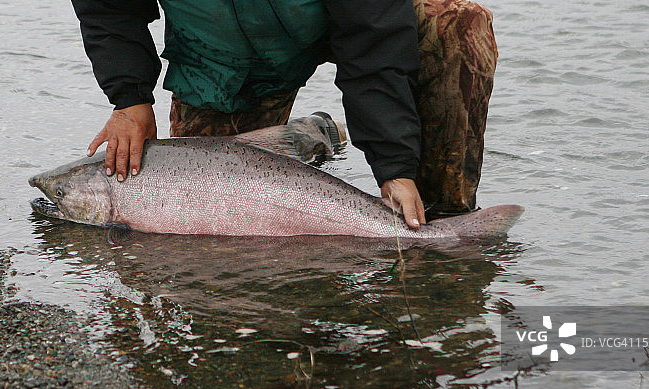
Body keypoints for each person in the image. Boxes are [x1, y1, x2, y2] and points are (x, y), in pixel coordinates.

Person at [71, 0, 497, 229]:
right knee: (206, 213)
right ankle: (311, 136)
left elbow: (374, 41)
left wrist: (395, 167)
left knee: (458, 23)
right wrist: (130, 99)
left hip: (328, 20)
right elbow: (108, 8)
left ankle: (437, 218)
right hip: (223, 65)